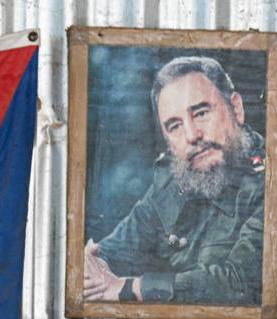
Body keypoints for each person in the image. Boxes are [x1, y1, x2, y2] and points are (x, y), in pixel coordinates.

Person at [83, 55, 265, 305]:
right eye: (175, 126)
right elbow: (114, 249)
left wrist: (129, 288)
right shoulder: (174, 179)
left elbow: (242, 283)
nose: (192, 136)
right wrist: (92, 266)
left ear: (236, 108)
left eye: (201, 113)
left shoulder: (274, 180)